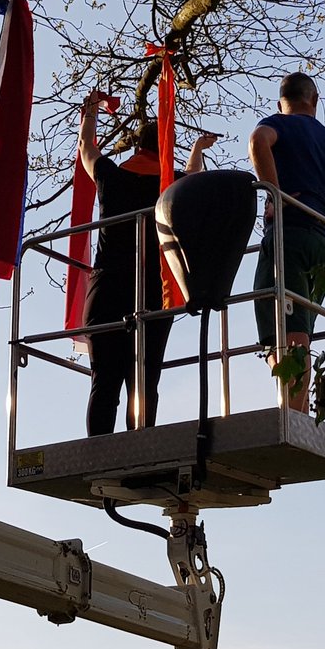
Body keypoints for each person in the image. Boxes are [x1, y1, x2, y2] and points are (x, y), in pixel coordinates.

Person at [78, 89, 216, 435]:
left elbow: (87, 149)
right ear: (165, 151)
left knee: (104, 380)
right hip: (154, 291)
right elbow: (192, 179)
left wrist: (91, 113)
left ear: (137, 147)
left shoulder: (112, 175)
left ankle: (98, 454)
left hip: (107, 288)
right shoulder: (171, 187)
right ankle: (139, 451)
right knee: (144, 379)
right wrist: (197, 150)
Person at [249, 72, 325, 412]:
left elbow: (258, 140)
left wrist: (274, 193)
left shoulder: (278, 124)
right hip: (323, 249)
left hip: (288, 239)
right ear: (315, 99)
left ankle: (294, 414)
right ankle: (294, 404)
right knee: (296, 332)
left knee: (287, 333)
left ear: (281, 102)